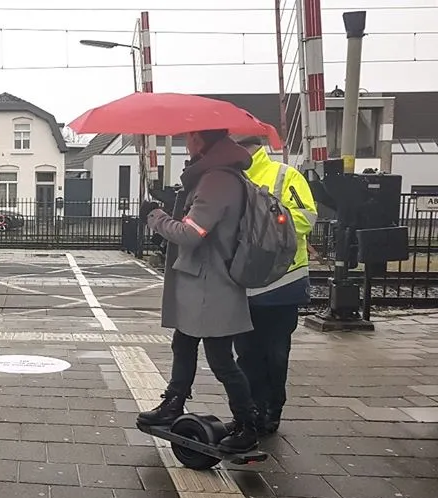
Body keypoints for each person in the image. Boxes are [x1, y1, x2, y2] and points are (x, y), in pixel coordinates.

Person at [135, 129, 259, 453]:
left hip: (211, 284)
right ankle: (173, 403)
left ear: (202, 141)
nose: (186, 141)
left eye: (190, 136)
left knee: (220, 359)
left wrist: (155, 217)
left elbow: (192, 234)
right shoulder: (212, 176)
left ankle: (247, 424)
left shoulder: (217, 180)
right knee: (184, 342)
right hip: (203, 280)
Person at [234, 136, 317, 436]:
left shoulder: (284, 175)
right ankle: (252, 408)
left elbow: (306, 217)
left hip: (282, 278)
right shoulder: (232, 178)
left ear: (247, 146)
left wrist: (266, 222)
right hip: (244, 281)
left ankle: (271, 408)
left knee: (275, 350)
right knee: (245, 352)